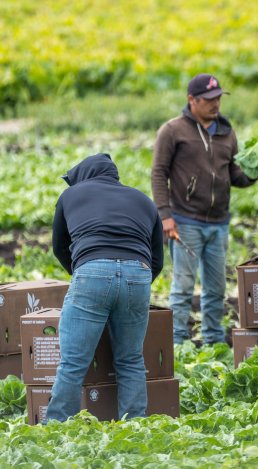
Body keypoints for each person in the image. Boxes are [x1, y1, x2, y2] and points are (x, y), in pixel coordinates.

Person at [48, 153, 164, 421]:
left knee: (73, 363)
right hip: (139, 274)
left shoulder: (71, 196)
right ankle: (134, 424)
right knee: (131, 360)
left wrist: (83, 274)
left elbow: (59, 246)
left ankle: (55, 426)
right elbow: (156, 258)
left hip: (91, 270)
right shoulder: (143, 200)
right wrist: (134, 285)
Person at [152, 73, 257, 345]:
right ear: (192, 100)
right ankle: (176, 341)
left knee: (216, 287)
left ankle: (212, 339)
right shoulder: (173, 131)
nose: (216, 103)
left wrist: (256, 172)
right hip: (185, 220)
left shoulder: (226, 132)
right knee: (183, 286)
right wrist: (165, 215)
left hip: (219, 223)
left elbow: (234, 175)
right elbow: (158, 173)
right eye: (209, 99)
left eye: (218, 97)